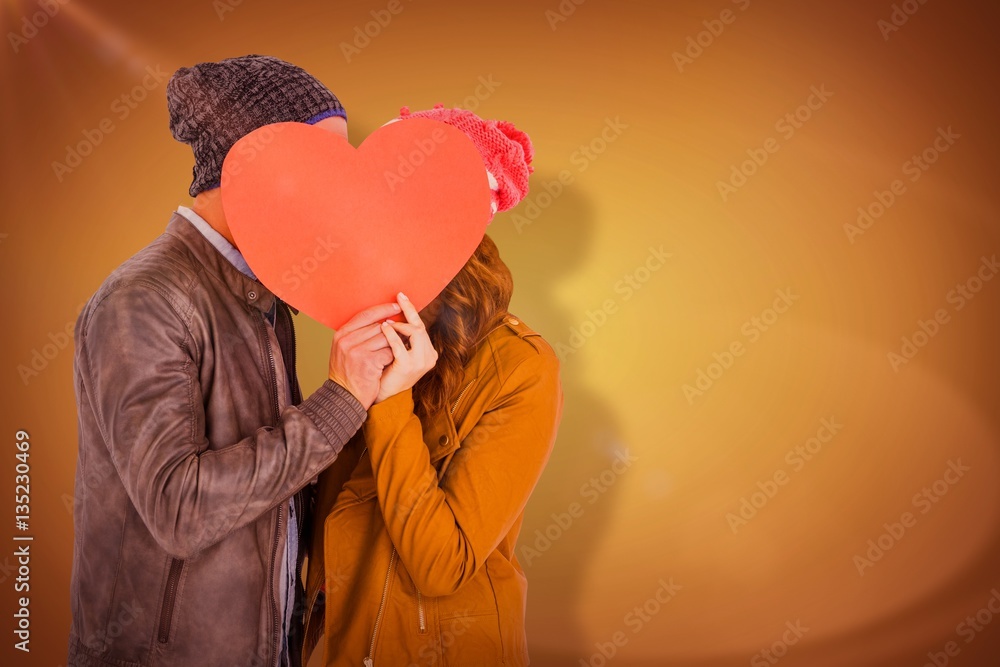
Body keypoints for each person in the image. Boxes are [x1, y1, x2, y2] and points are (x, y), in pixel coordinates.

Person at [68, 55, 395, 667]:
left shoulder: (265, 295)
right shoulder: (145, 301)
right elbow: (181, 509)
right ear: (249, 167)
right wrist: (339, 402)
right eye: (318, 167)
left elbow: (276, 479)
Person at [302, 107, 564, 667]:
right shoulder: (368, 324)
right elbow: (328, 513)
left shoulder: (523, 367)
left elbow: (441, 565)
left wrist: (392, 400)